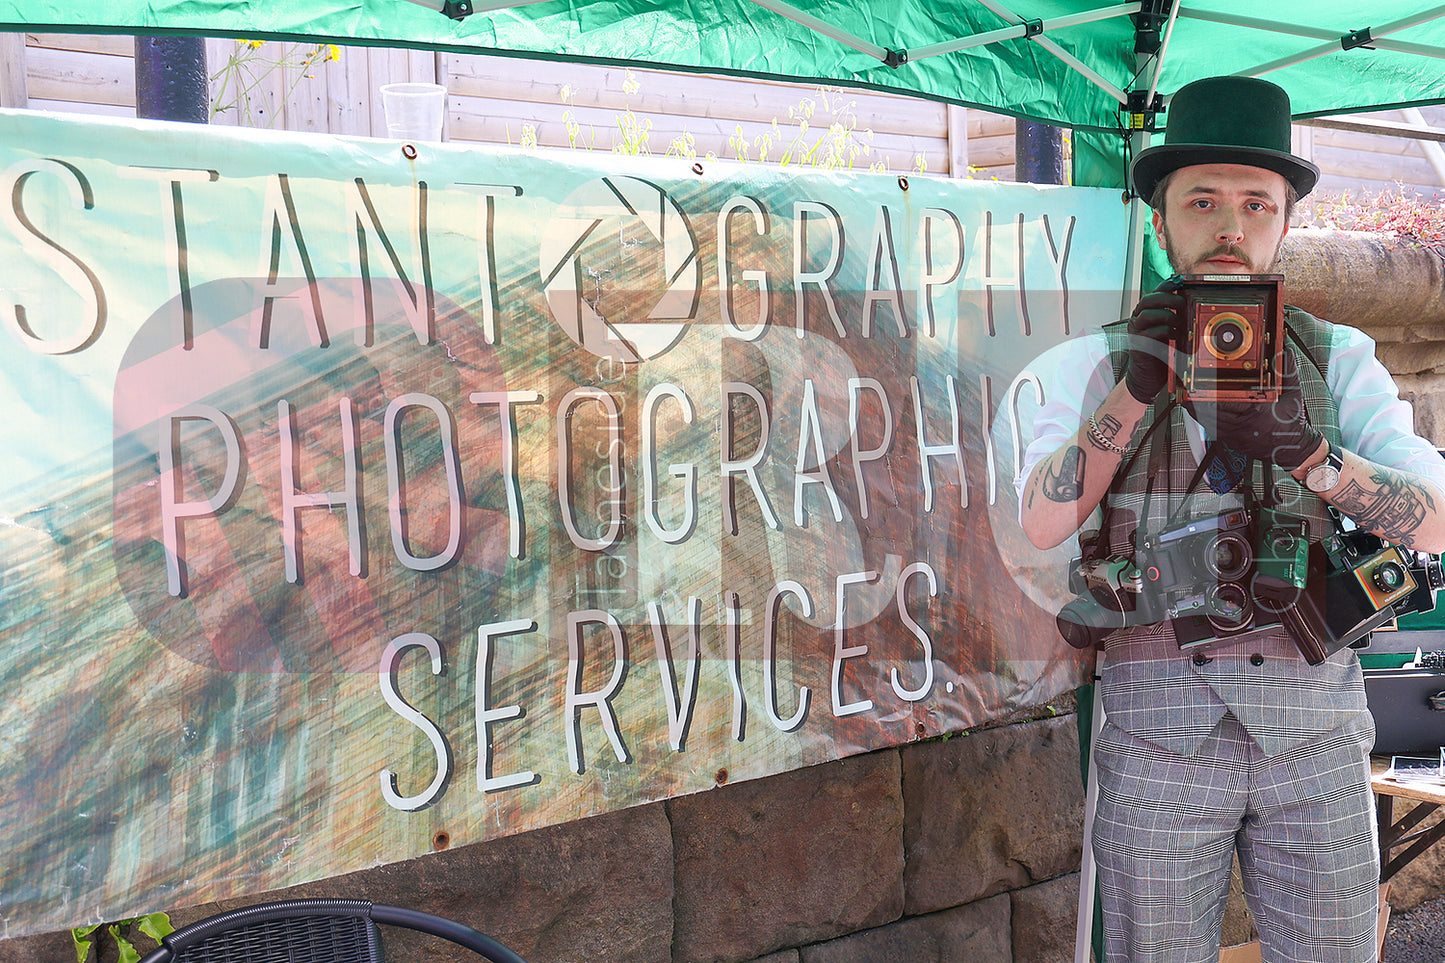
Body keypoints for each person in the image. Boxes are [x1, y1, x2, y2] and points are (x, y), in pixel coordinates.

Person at [1015, 76, 1445, 963]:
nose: (1229, 226)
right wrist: (1133, 390)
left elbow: (1437, 522)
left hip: (1315, 741)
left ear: (1283, 222)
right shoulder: (1092, 361)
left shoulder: (1338, 356)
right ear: (1159, 221)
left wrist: (1311, 456)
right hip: (1156, 742)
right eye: (1201, 200)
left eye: (1256, 203)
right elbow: (1040, 522)